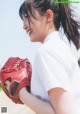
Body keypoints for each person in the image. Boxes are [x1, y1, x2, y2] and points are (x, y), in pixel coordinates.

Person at [5, 0, 80, 114]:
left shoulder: (47, 51)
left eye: (27, 17)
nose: (24, 26)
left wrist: (20, 92)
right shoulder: (60, 47)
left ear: (48, 16)